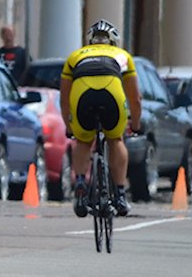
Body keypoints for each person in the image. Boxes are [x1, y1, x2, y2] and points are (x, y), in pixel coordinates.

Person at [60, 20, 141, 219]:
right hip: (111, 97)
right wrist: (136, 124)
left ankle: (80, 183)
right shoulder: (122, 56)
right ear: (113, 41)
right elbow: (135, 98)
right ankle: (120, 195)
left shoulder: (75, 56)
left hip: (82, 99)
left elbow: (64, 98)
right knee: (116, 139)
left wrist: (69, 126)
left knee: (84, 140)